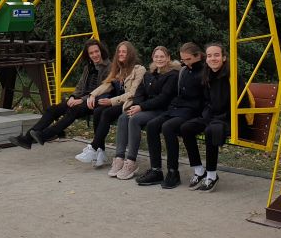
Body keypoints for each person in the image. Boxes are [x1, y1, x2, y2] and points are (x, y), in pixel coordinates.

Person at [9, 39, 110, 149]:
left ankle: (44, 135)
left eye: (96, 51)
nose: (95, 55)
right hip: (80, 99)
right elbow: (80, 86)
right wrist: (72, 97)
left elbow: (104, 90)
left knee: (73, 110)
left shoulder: (109, 67)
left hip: (95, 102)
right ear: (88, 55)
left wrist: (82, 100)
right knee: (53, 109)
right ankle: (27, 139)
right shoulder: (88, 67)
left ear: (101, 51)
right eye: (91, 53)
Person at [136, 42, 205, 189]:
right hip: (176, 108)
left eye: (188, 60)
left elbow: (203, 98)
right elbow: (179, 93)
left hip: (192, 111)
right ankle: (156, 170)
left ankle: (173, 172)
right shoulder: (185, 71)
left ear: (198, 56)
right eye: (183, 60)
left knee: (168, 127)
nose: (185, 63)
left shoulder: (204, 72)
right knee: (152, 125)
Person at [110, 46, 180, 180]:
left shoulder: (172, 74)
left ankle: (131, 161)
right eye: (156, 56)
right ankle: (119, 158)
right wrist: (136, 105)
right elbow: (140, 93)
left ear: (168, 58)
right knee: (124, 117)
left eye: (162, 56)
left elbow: (163, 98)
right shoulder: (149, 74)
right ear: (153, 58)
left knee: (135, 119)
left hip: (162, 110)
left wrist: (141, 107)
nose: (159, 59)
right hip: (147, 108)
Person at [73, 41, 145, 169]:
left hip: (129, 103)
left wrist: (111, 102)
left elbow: (132, 94)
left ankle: (94, 147)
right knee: (98, 110)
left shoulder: (138, 69)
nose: (121, 54)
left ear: (130, 54)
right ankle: (99, 151)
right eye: (119, 52)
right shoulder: (119, 69)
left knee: (106, 112)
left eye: (124, 52)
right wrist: (92, 95)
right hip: (118, 102)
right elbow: (106, 84)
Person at [180, 42, 230, 192]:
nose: (212, 58)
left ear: (224, 58)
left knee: (210, 131)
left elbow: (232, 103)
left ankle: (212, 175)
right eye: (209, 55)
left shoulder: (230, 76)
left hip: (228, 117)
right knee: (186, 128)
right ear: (205, 58)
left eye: (216, 55)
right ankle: (199, 170)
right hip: (212, 115)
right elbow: (208, 101)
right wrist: (206, 115)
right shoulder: (207, 75)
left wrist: (214, 116)